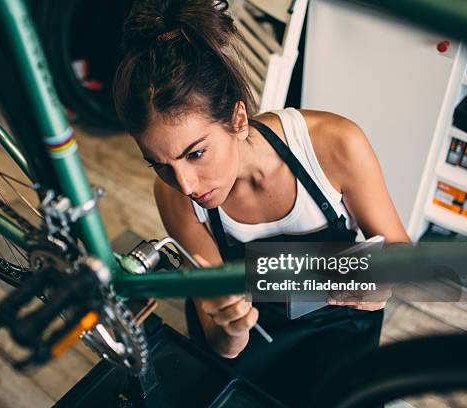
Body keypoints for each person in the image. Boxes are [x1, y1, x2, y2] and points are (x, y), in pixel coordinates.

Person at [112, 0, 411, 405]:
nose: (184, 183)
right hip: (255, 336)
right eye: (160, 165)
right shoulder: (175, 197)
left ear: (237, 119)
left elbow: (399, 251)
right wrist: (231, 329)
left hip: (337, 323)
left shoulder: (333, 144)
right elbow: (223, 345)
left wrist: (385, 281)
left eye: (196, 153)